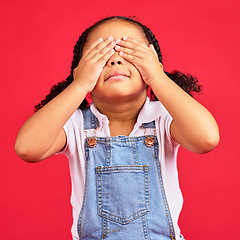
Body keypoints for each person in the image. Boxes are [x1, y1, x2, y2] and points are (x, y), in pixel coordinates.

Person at [15, 16, 219, 240]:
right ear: (81, 70)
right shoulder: (76, 124)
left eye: (128, 51)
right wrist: (80, 84)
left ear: (154, 64)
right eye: (102, 54)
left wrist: (157, 77)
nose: (115, 61)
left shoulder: (164, 118)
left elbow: (206, 139)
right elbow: (27, 148)